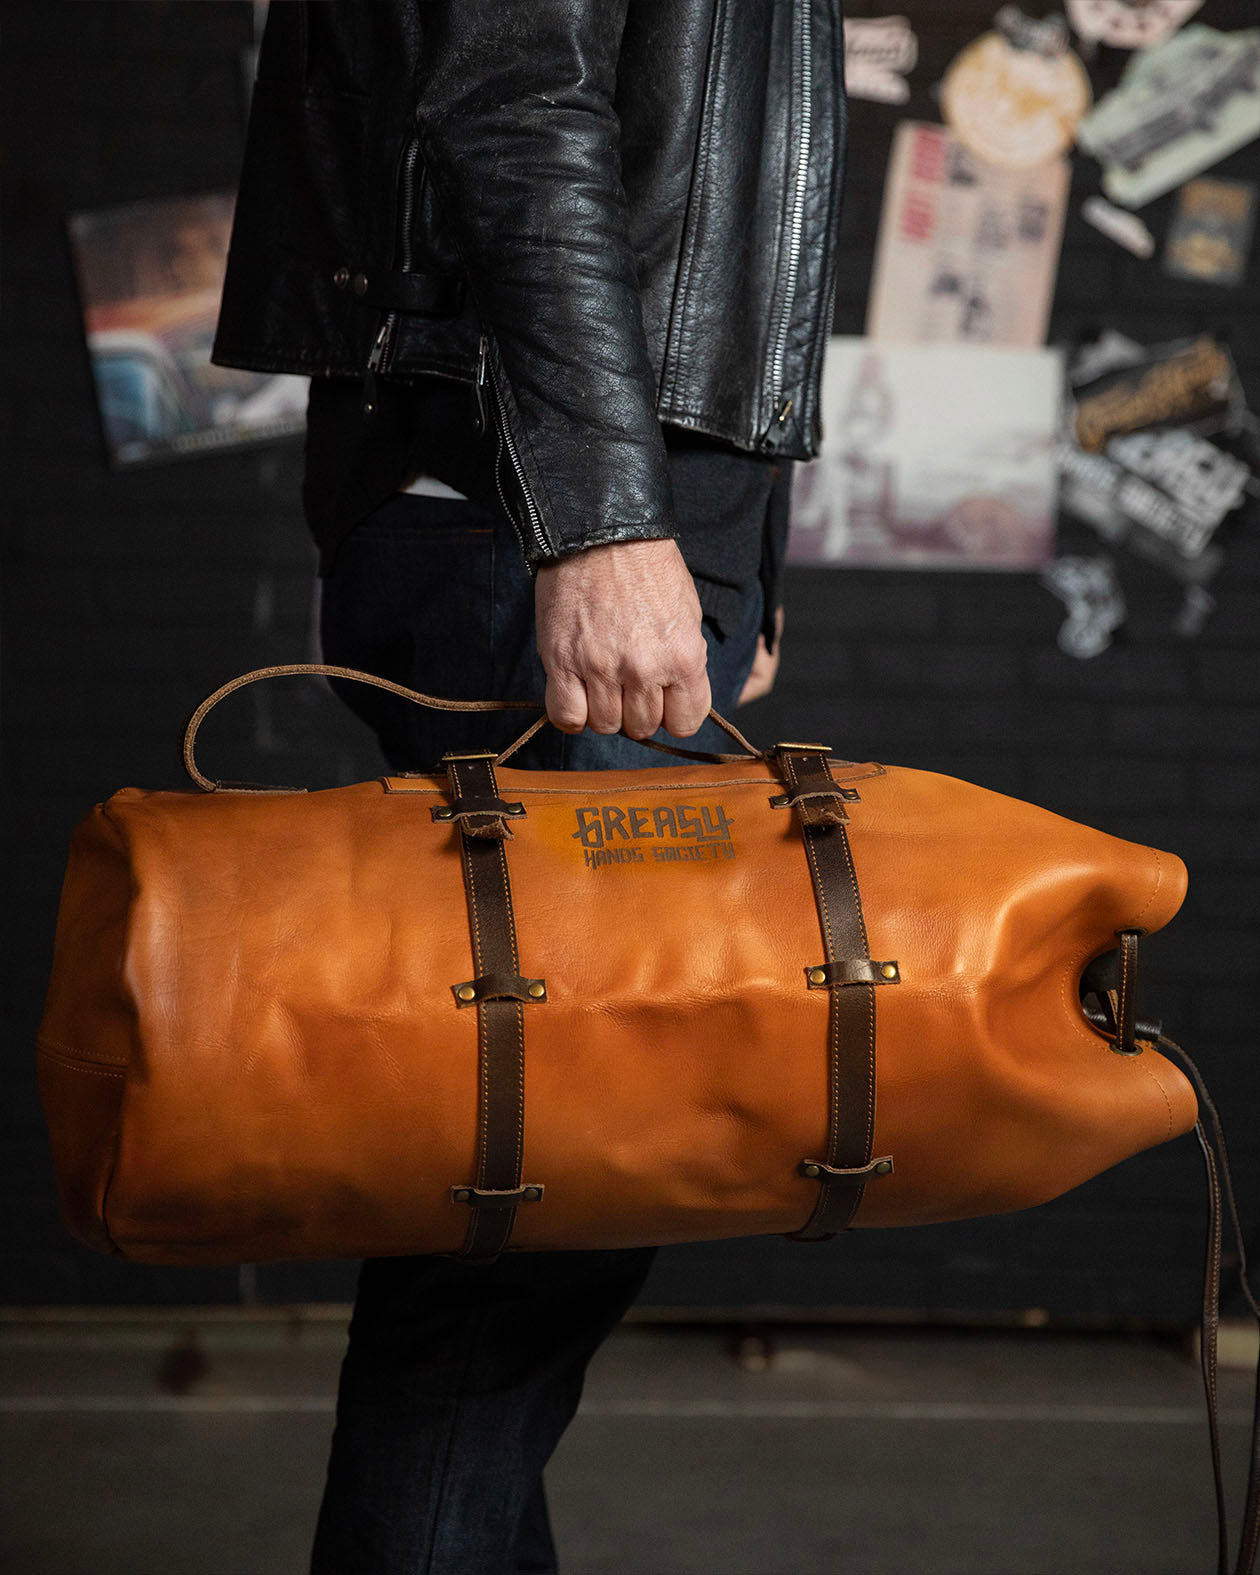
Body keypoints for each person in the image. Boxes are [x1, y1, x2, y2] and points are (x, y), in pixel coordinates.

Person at [212, 3, 846, 1569]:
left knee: (514, 1191)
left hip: (578, 513)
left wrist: (723, 548)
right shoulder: (576, 520)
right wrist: (607, 528)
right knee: (524, 1209)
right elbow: (511, 98)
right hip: (538, 514)